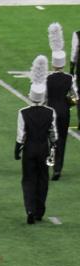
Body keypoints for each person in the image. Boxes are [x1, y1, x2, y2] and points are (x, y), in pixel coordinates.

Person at [17, 56, 57, 225]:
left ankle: (30, 209)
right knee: (42, 180)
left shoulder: (23, 112)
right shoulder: (50, 112)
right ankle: (40, 210)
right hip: (43, 149)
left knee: (28, 180)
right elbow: (53, 134)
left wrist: (17, 150)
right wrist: (54, 148)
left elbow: (21, 135)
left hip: (29, 149)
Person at [47, 23, 78, 180]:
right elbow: (76, 98)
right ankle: (57, 168)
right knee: (62, 140)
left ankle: (50, 161)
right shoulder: (69, 78)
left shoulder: (47, 78)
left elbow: (41, 96)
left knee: (49, 139)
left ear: (53, 64)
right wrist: (68, 103)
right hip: (64, 112)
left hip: (49, 112)